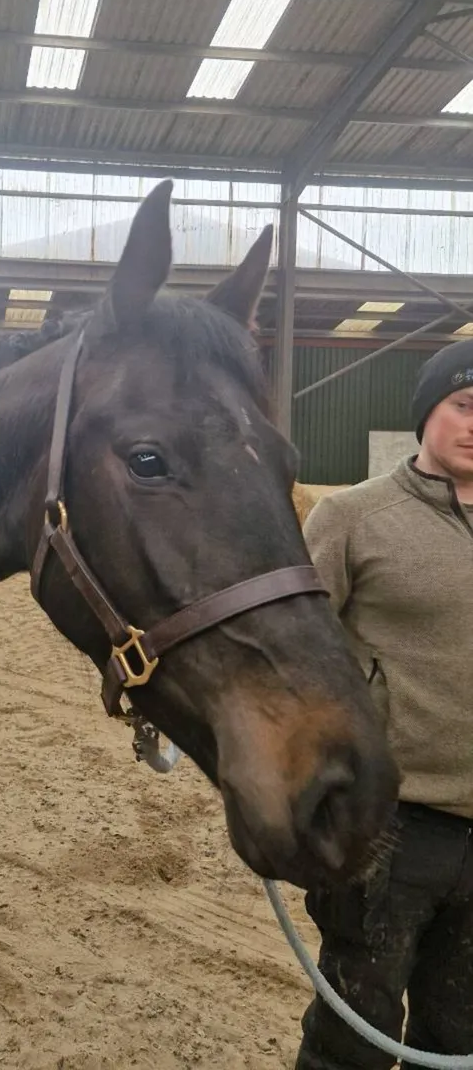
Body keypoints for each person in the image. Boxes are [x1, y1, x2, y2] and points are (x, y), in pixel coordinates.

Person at [295, 337, 473, 1070]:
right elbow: (294, 657)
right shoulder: (351, 518)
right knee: (355, 1036)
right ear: (427, 411)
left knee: (460, 1033)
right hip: (391, 830)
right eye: (465, 406)